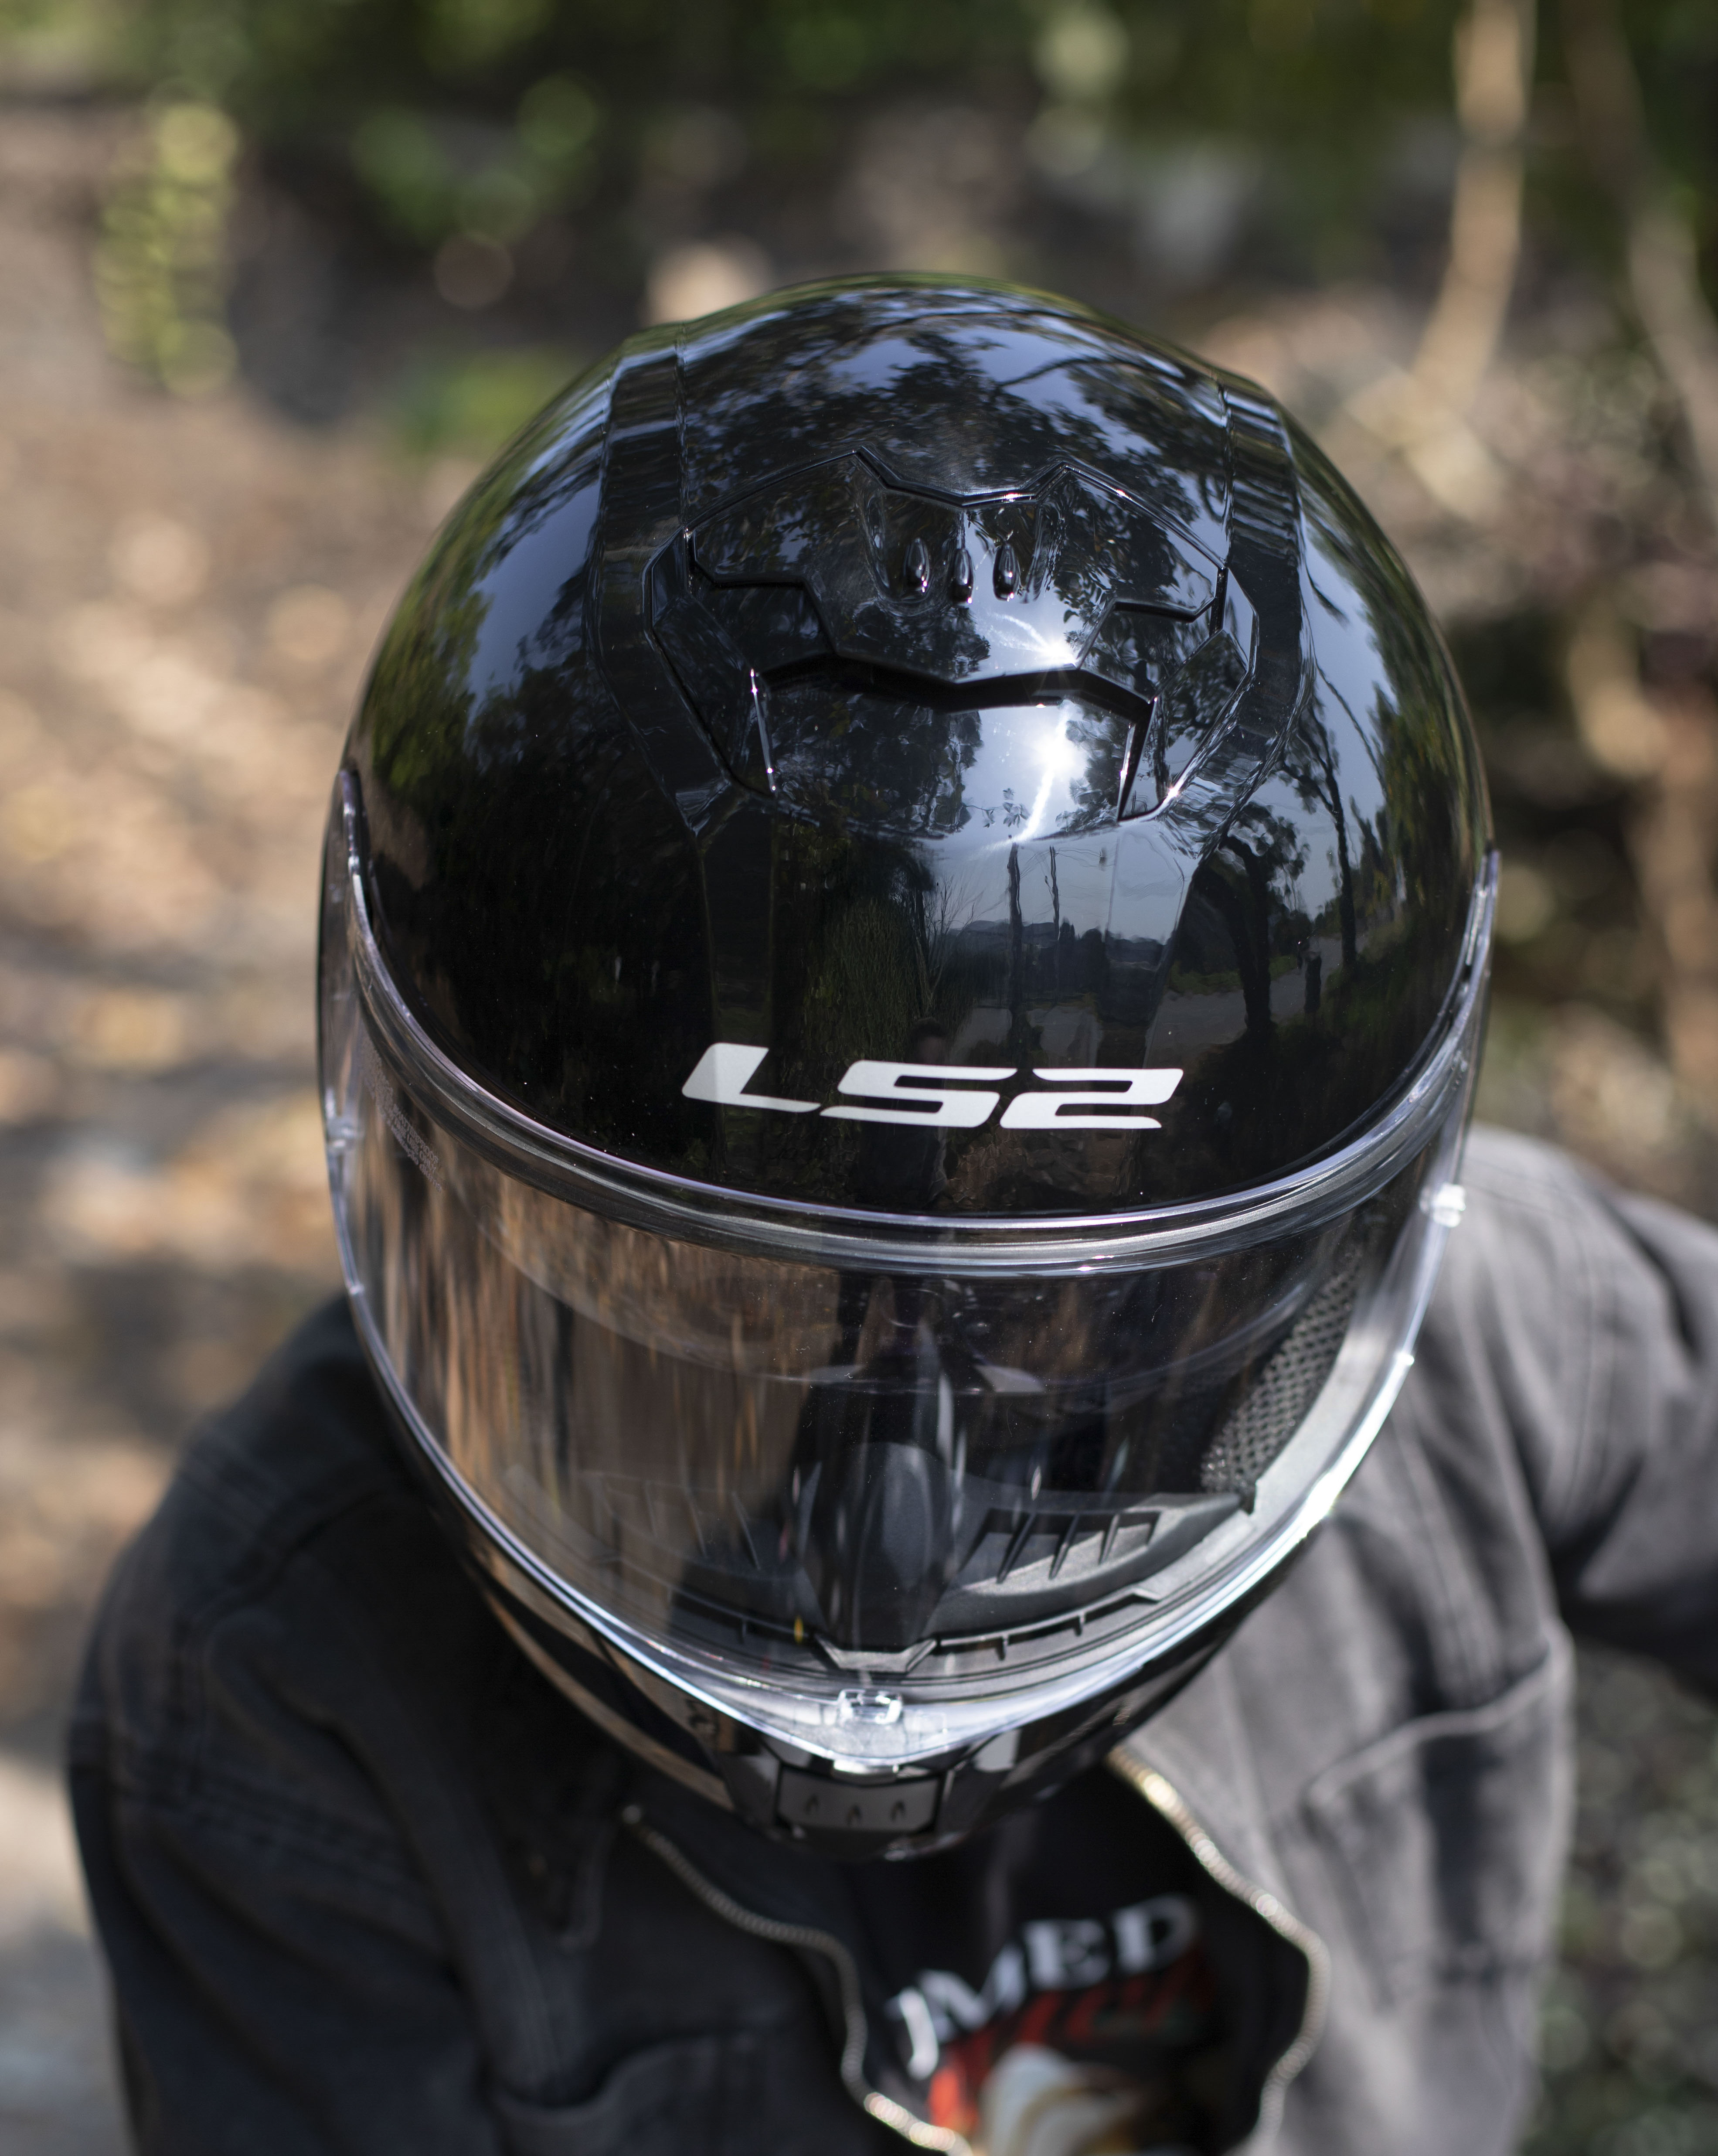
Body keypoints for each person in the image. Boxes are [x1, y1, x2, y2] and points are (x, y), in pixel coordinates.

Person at [69, 279, 1718, 2156]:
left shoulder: (1502, 1342)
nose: (880, 1590)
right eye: (720, 1315)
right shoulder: (278, 1680)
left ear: (1337, 1249)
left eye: (1075, 1333)